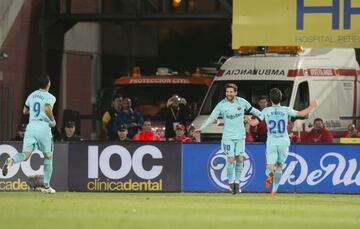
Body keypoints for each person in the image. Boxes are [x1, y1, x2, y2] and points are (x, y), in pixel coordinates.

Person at [193, 83, 262, 194]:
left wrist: (259, 119)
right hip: (228, 137)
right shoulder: (221, 105)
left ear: (235, 92)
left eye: (231, 92)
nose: (229, 94)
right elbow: (212, 117)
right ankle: (231, 184)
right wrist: (201, 128)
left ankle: (237, 183)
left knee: (239, 159)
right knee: (230, 159)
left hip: (240, 136)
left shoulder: (242, 102)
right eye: (227, 92)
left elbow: (256, 112)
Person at [248, 88, 317, 197]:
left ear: (270, 99)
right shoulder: (286, 109)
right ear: (281, 99)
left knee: (269, 166)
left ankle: (270, 174)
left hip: (271, 141)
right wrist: (312, 106)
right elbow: (301, 113)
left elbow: (253, 124)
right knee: (279, 166)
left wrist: (248, 119)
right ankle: (274, 191)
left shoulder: (266, 111)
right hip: (284, 141)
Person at [2, 76, 57, 194]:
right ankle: (46, 187)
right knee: (48, 156)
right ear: (48, 84)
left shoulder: (31, 95)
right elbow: (47, 108)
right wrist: (53, 120)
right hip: (43, 127)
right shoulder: (50, 97)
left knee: (25, 155)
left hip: (31, 127)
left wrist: (33, 111)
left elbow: (24, 111)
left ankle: (11, 160)